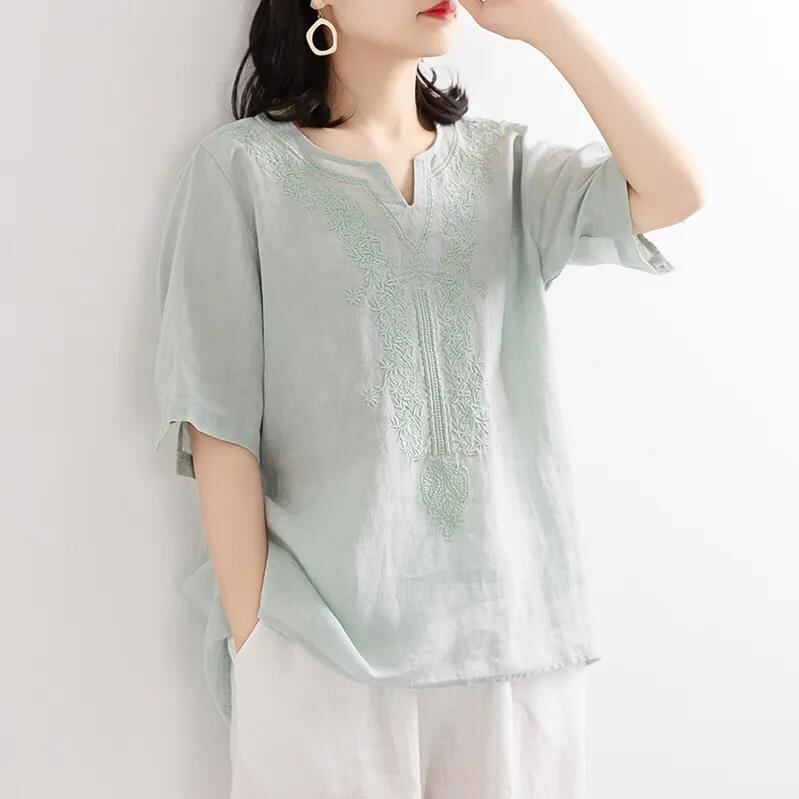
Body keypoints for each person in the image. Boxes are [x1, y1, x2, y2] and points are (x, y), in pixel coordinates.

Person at [153, 0, 704, 796]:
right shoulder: (242, 172)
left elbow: (675, 189)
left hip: (512, 646)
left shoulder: (502, 165)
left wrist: (548, 23)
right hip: (323, 651)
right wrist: (258, 640)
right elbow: (219, 422)